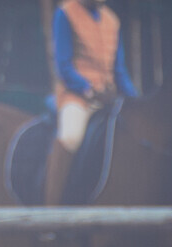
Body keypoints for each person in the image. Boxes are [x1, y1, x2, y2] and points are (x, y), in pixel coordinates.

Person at [46, 0, 138, 206]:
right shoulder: (65, 13)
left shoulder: (112, 20)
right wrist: (89, 89)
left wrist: (136, 100)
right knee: (70, 136)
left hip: (109, 98)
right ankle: (51, 206)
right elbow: (63, 66)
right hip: (77, 96)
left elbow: (120, 71)